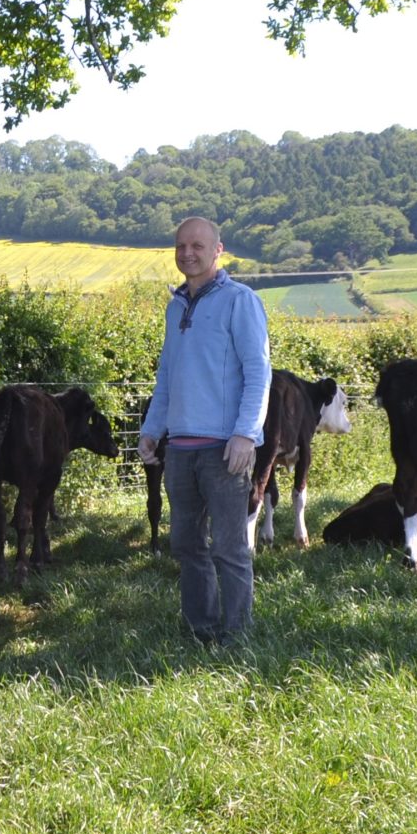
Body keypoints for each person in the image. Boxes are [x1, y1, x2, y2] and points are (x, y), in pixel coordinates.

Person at [136, 216, 271, 644]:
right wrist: (153, 428)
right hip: (180, 450)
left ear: (218, 250)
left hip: (224, 449)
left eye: (197, 245)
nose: (187, 253)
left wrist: (246, 434)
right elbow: (167, 376)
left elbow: (258, 372)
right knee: (187, 545)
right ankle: (201, 629)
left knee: (229, 549)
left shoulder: (240, 300)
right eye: (181, 246)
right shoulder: (175, 305)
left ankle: (237, 636)